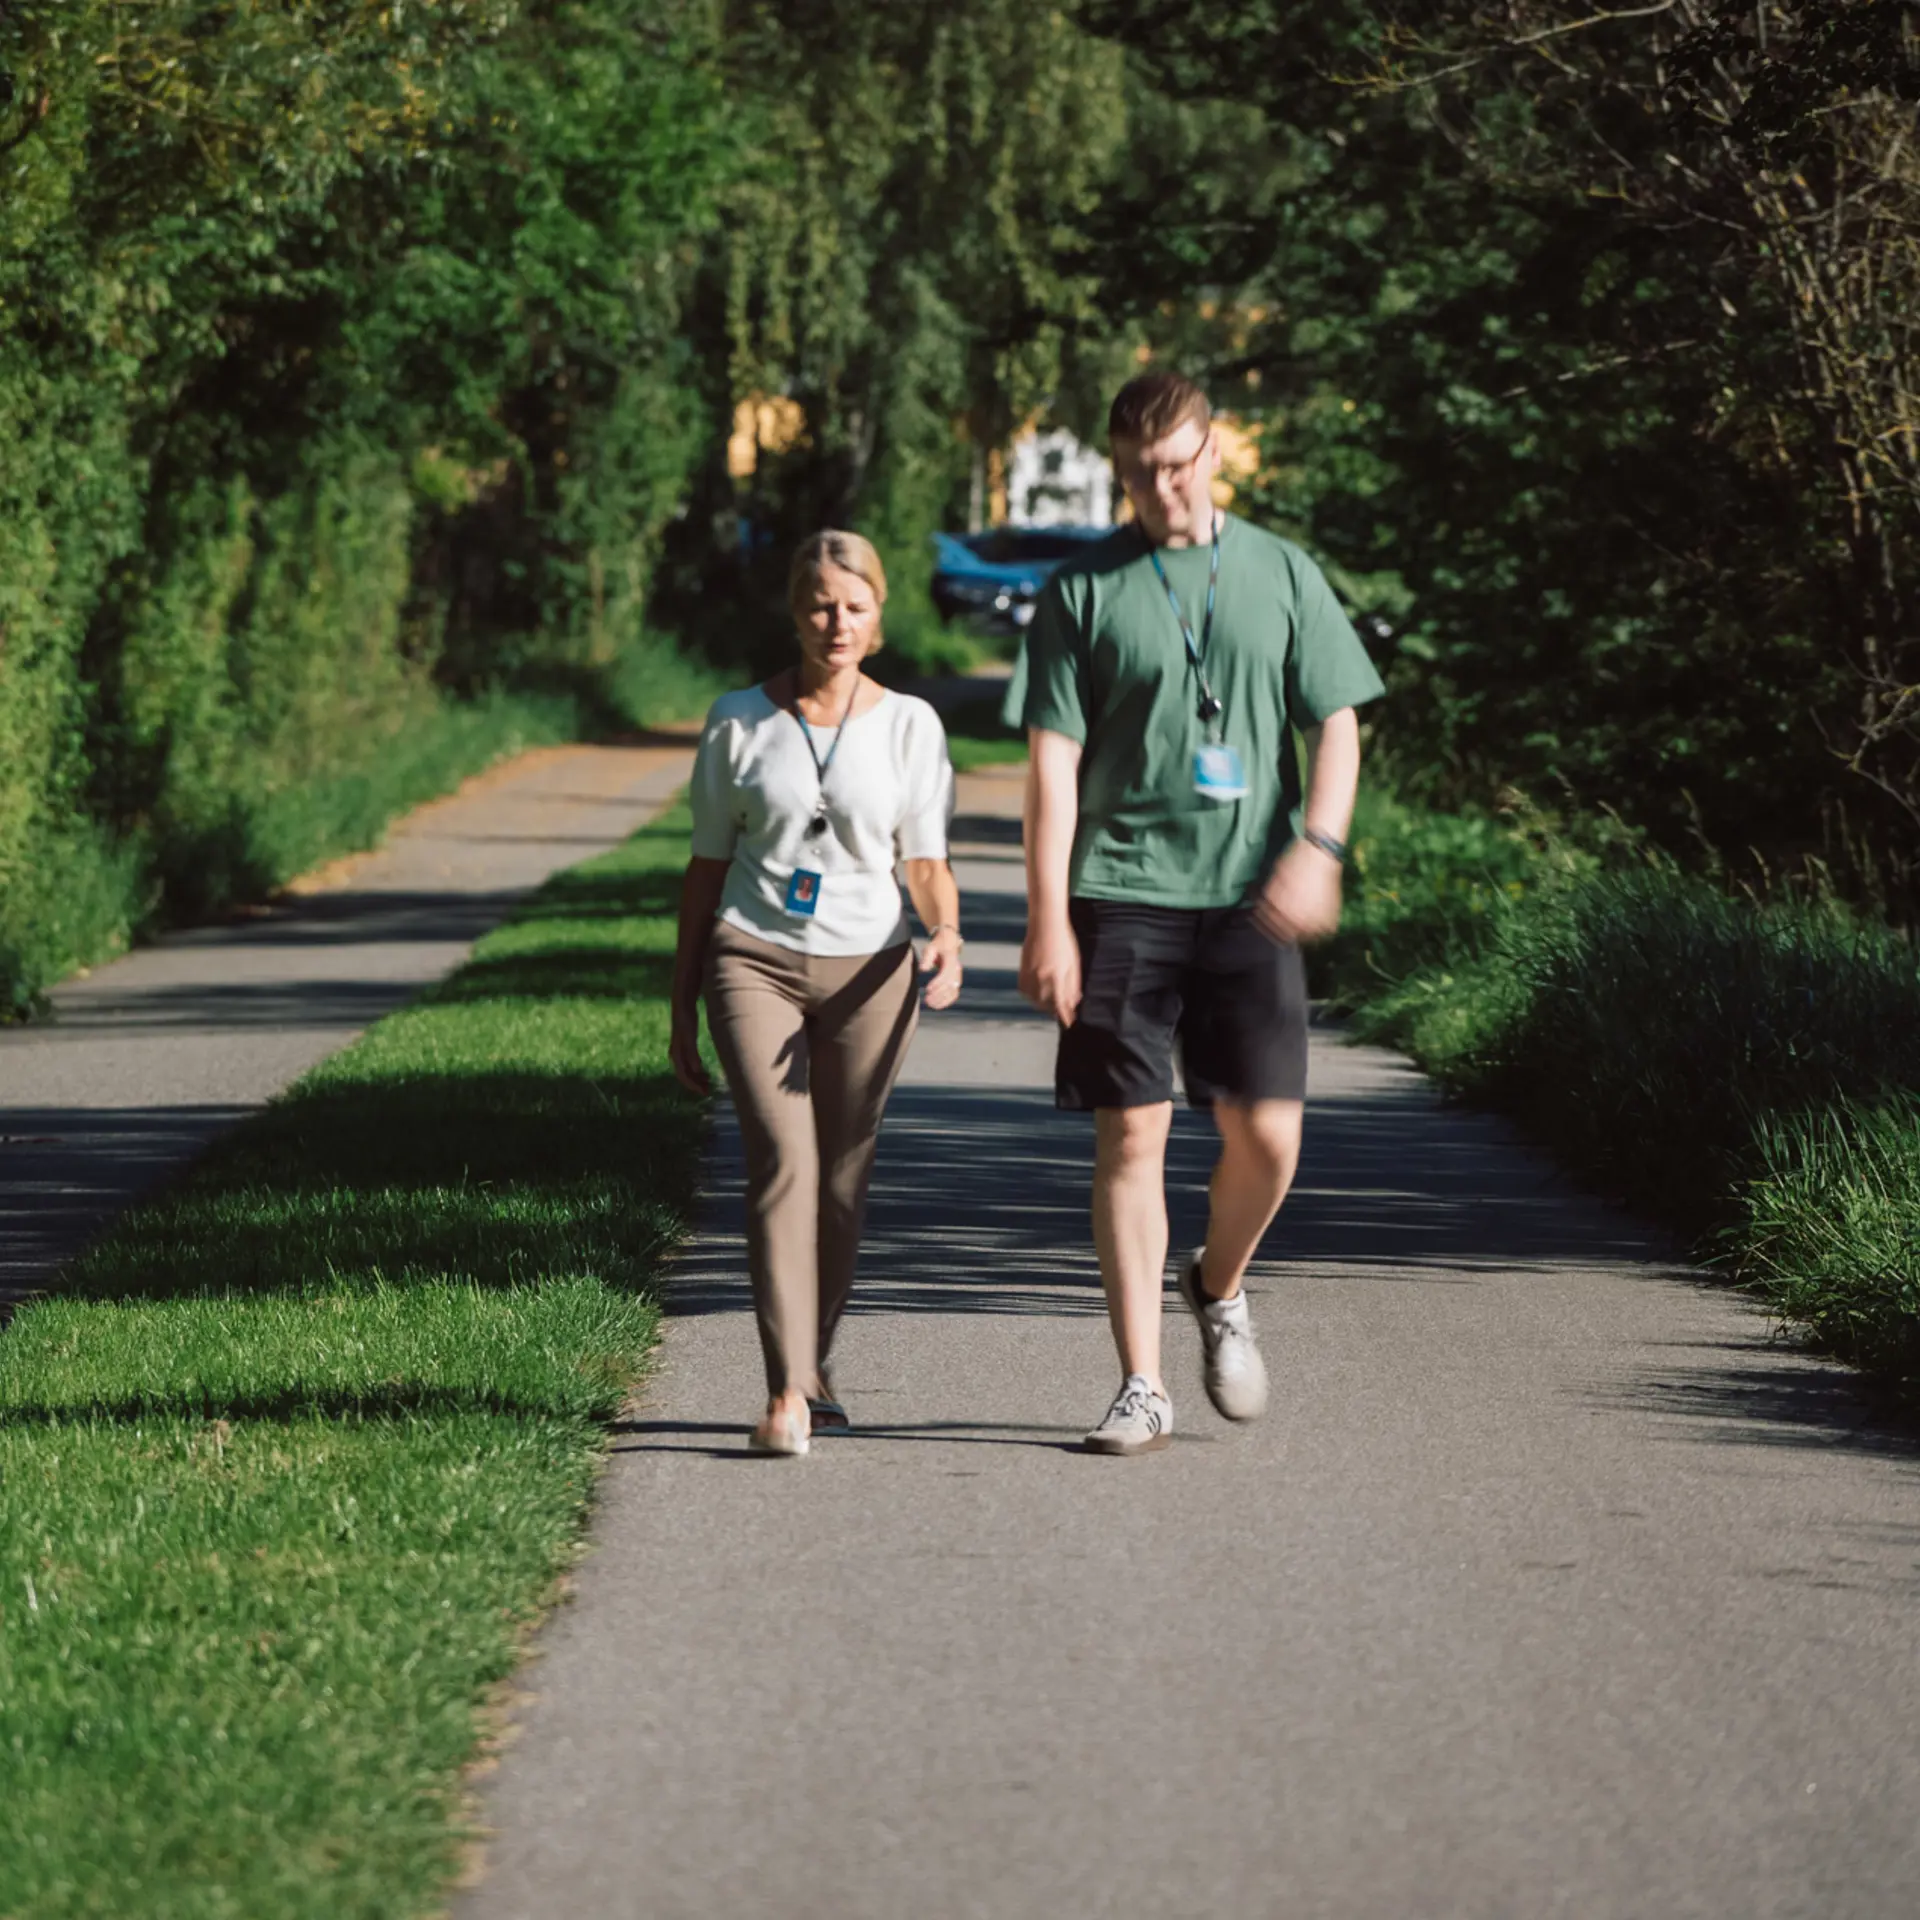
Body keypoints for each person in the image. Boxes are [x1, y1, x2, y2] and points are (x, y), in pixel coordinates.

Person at [1009, 370, 1384, 1455]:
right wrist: (1045, 918)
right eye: (1138, 474)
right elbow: (1052, 763)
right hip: (1121, 890)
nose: (1161, 490)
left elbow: (1340, 720)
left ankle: (1218, 1286)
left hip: (1250, 896)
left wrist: (1319, 849)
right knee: (1131, 1133)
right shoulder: (1084, 589)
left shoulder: (1279, 571)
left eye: (1178, 467)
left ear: (1215, 452)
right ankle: (1141, 1384)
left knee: (1268, 1137)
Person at [670, 530, 963, 1457]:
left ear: (879, 615)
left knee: (842, 1182)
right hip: (753, 959)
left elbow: (924, 862)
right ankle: (785, 1393)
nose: (836, 623)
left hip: (873, 974)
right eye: (819, 605)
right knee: (784, 1164)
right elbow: (705, 867)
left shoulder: (911, 724)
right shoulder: (738, 720)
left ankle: (815, 1362)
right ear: (795, 613)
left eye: (855, 605)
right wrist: (682, 1001)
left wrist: (946, 932)